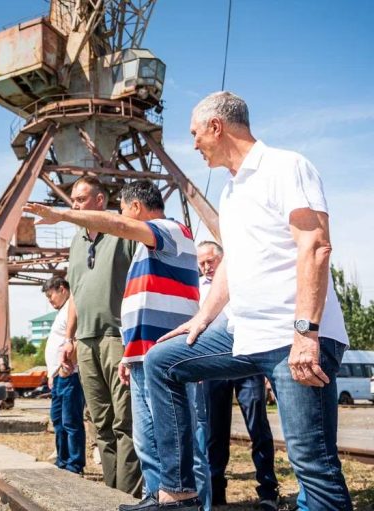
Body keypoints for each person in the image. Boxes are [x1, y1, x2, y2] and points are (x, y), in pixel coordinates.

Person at [143, 91, 351, 511]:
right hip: (243, 334)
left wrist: (305, 333)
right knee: (161, 362)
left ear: (216, 127)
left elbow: (315, 244)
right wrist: (202, 318)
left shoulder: (285, 166)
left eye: (195, 134)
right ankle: (177, 494)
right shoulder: (230, 192)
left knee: (313, 465)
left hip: (293, 335)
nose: (194, 144)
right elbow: (233, 262)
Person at [25, 181, 211, 510]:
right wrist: (129, 353)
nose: (121, 218)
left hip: (166, 352)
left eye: (123, 211)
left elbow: (119, 225)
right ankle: (156, 498)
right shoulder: (145, 248)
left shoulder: (170, 230)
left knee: (180, 441)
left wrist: (62, 215)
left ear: (135, 208)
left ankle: (193, 503)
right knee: (148, 439)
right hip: (141, 353)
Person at [27, 176, 143, 495]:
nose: (75, 205)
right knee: (101, 424)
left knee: (125, 423)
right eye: (73, 200)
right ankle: (110, 492)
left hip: (118, 337)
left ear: (100, 201)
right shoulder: (77, 242)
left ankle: (128, 496)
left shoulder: (121, 230)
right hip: (86, 342)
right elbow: (76, 293)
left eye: (81, 199)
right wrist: (70, 339)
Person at [197, 241, 279, 508]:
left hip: (247, 361)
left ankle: (268, 492)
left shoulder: (242, 282)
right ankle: (217, 492)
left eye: (211, 262)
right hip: (213, 367)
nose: (206, 267)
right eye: (202, 263)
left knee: (258, 427)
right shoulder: (197, 287)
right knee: (215, 432)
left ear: (223, 261)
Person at [41, 276, 86, 474]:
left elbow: (76, 338)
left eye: (51, 296)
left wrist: (71, 362)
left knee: (70, 420)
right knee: (58, 420)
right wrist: (52, 373)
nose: (50, 301)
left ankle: (74, 464)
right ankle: (63, 459)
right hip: (59, 375)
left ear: (62, 289)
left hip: (70, 374)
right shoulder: (62, 312)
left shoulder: (71, 308)